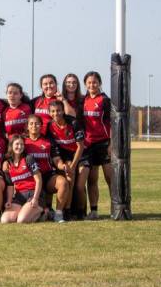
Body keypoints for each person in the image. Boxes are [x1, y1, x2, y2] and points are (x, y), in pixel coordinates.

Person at [47, 100, 89, 220]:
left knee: (80, 186)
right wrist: (64, 165)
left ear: (63, 111)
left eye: (59, 110)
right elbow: (54, 150)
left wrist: (73, 166)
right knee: (69, 179)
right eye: (53, 111)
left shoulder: (74, 123)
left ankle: (81, 211)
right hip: (66, 157)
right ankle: (67, 211)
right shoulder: (50, 126)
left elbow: (80, 147)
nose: (56, 113)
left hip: (82, 155)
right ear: (49, 113)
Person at [24, 115, 69, 222]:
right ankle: (44, 211)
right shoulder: (23, 142)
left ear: (41, 126)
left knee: (63, 183)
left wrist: (62, 165)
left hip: (47, 176)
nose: (34, 126)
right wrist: (7, 162)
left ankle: (58, 214)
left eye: (37, 123)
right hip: (30, 178)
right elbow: (13, 156)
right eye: (31, 123)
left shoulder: (48, 141)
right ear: (27, 126)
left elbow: (56, 159)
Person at [82, 71, 113, 220]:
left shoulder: (105, 100)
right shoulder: (84, 100)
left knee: (110, 178)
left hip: (104, 143)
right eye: (89, 83)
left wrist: (111, 143)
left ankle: (116, 207)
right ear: (85, 84)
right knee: (92, 180)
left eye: (94, 82)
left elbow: (113, 123)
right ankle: (94, 211)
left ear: (99, 83)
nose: (92, 85)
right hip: (89, 144)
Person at [1, 135, 44, 224]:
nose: (19, 147)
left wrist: (35, 198)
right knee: (5, 220)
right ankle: (25, 210)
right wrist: (9, 201)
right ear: (11, 145)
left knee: (21, 220)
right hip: (19, 196)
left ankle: (43, 211)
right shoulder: (8, 163)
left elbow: (38, 180)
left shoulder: (29, 159)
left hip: (33, 194)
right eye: (17, 144)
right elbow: (10, 185)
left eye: (22, 144)